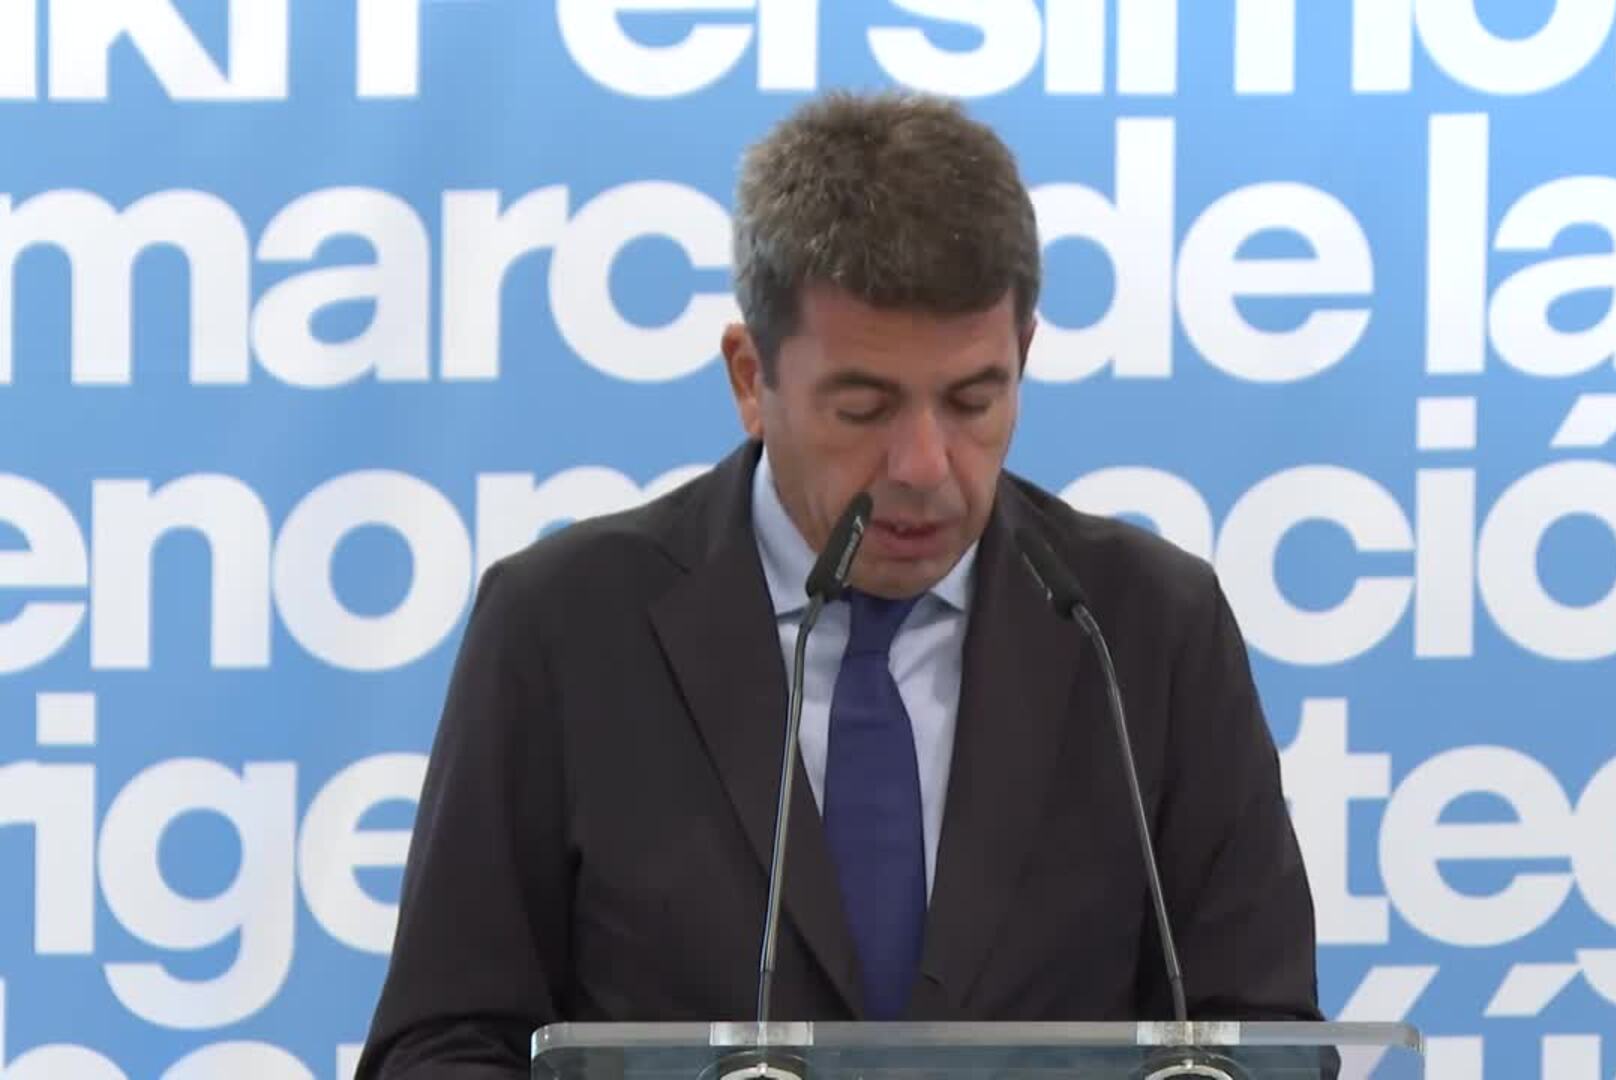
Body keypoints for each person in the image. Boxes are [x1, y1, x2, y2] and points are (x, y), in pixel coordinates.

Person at [353, 89, 1324, 1078]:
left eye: (972, 400)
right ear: (750, 378)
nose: (924, 466)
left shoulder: (1147, 630)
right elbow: (441, 1045)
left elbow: (1263, 1033)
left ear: (1023, 356)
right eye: (864, 408)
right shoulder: (564, 628)